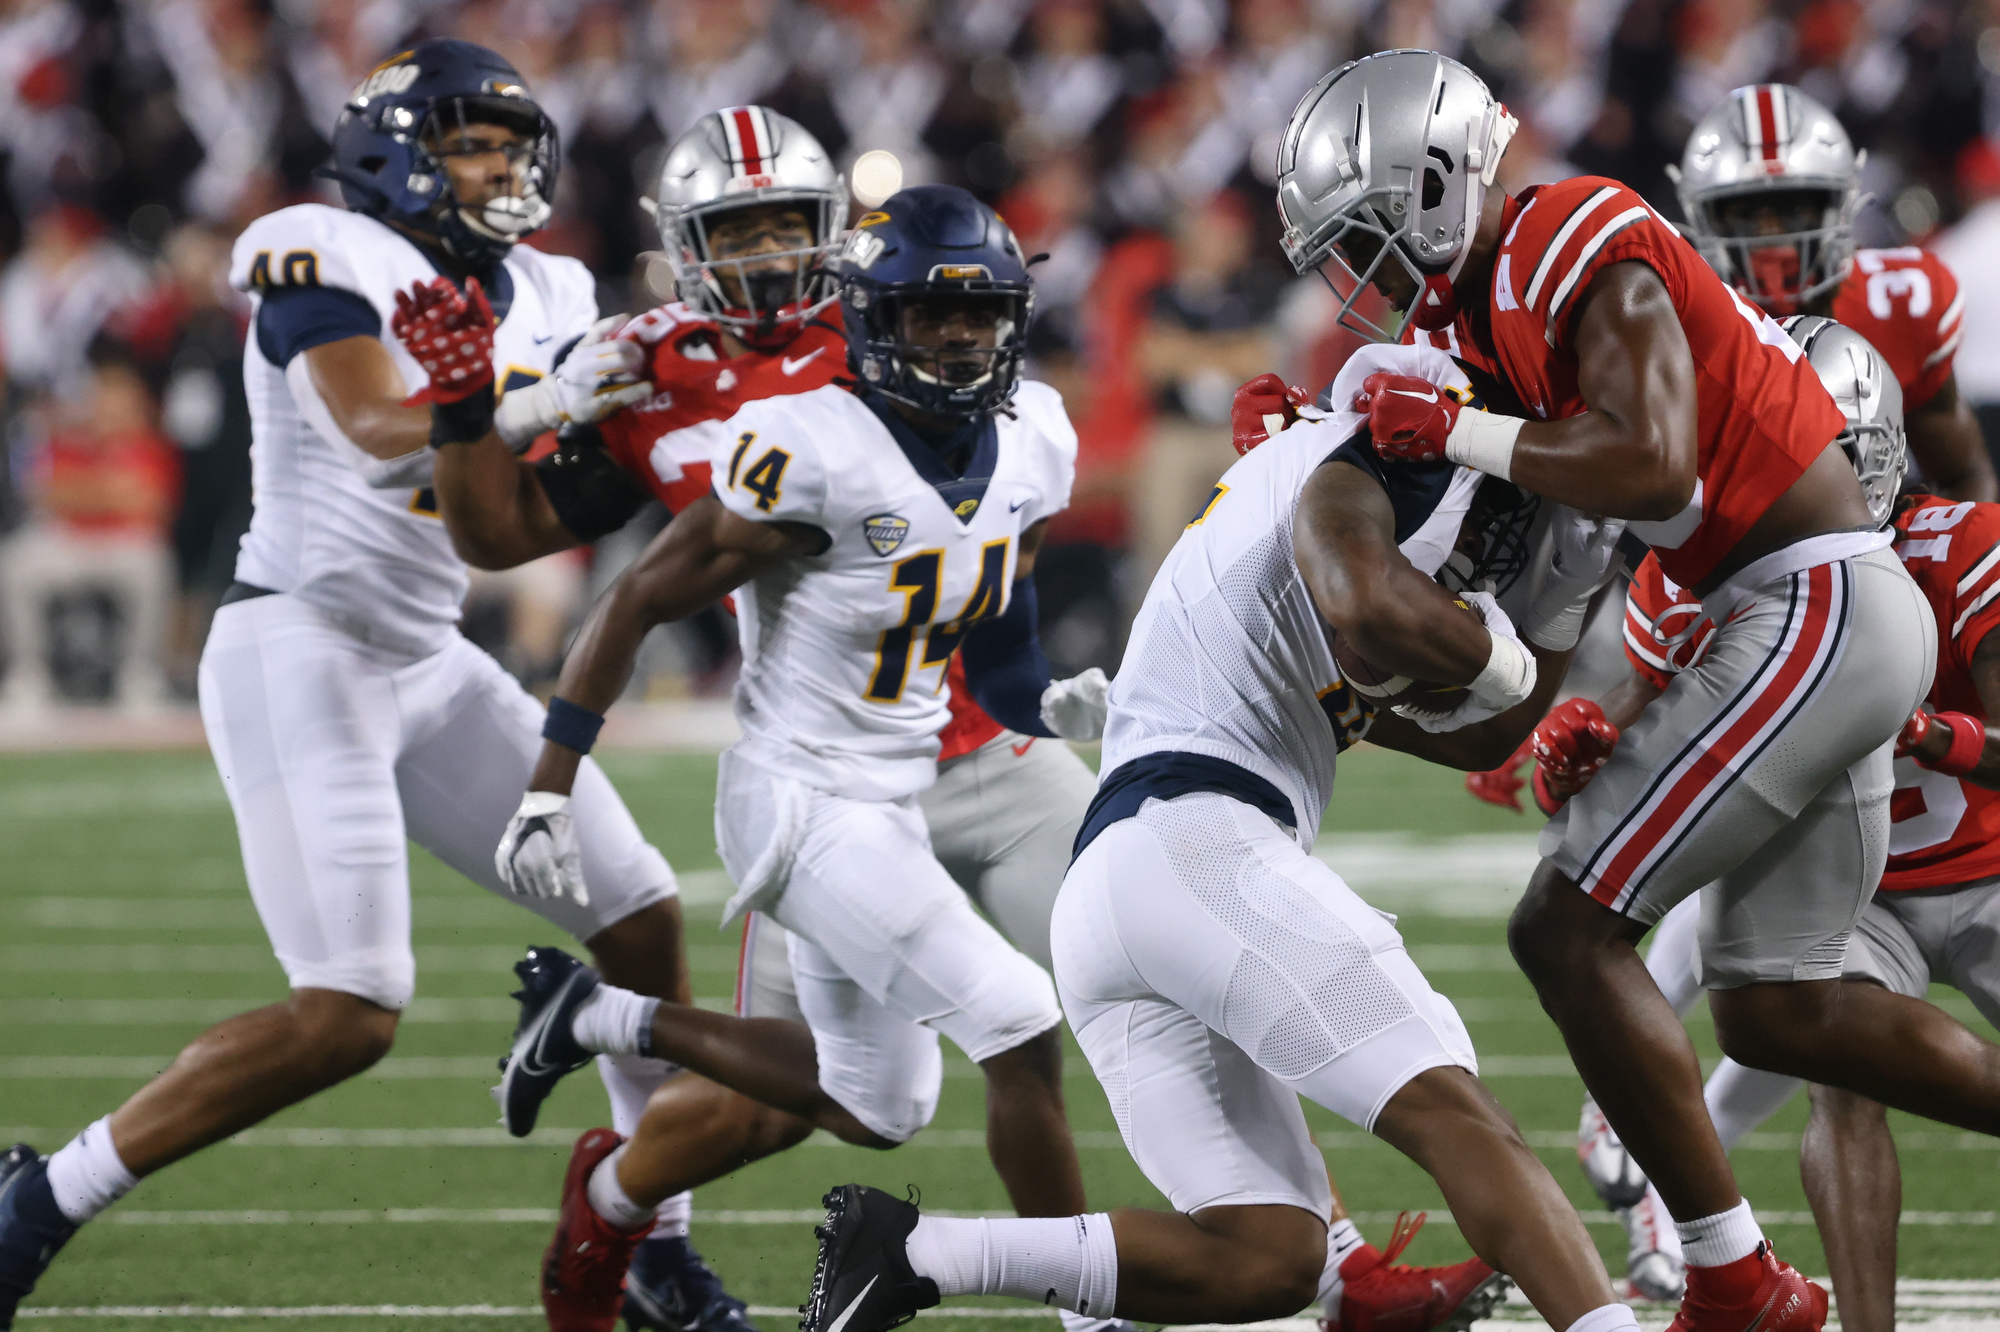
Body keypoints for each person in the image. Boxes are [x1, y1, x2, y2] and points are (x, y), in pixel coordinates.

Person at [0, 39, 702, 1330]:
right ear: (395, 148)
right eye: (468, 143)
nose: (499, 167)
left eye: (510, 144)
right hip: (300, 645)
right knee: (349, 1014)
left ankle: (647, 1235)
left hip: (429, 656)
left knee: (644, 923)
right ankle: (42, 1199)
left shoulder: (547, 281)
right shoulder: (320, 246)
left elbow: (509, 512)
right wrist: (534, 393)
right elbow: (379, 428)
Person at [1292, 47, 1993, 1332]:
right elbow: (1548, 566)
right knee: (1771, 1010)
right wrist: (1311, 444)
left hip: (1805, 597)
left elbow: (1650, 468)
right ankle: (1744, 1276)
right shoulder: (1478, 314)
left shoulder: (1569, 226)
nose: (1367, 280)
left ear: (1441, 184)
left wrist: (1437, 427)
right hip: (1774, 608)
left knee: (1562, 929)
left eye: (1373, 238)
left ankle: (1732, 1281)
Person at [796, 340, 1638, 1332]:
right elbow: (1384, 613)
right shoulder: (1355, 475)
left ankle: (915, 1254)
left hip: (1116, 888)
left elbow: (1452, 716)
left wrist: (1528, 651)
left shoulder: (1293, 506)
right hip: (1194, 842)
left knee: (1268, 1259)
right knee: (1462, 1120)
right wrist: (1504, 657)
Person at [453, 184, 1110, 1329]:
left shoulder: (1035, 439)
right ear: (868, 321)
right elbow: (636, 600)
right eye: (924, 315)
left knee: (878, 1107)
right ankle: (1089, 1310)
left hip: (894, 794)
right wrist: (549, 785)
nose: (957, 338)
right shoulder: (807, 445)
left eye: (978, 314)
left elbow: (998, 641)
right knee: (1017, 1019)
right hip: (798, 798)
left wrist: (1053, 702)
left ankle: (598, 1017)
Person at [1537, 317, 2000, 1332]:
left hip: (1985, 866)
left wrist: (1931, 734)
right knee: (1839, 1074)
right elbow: (1656, 746)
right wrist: (1582, 746)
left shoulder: (1959, 546)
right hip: (1854, 889)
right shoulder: (1690, 584)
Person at [1667, 83, 1993, 502]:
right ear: (1703, 217)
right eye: (1746, 214)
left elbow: (1964, 478)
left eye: (1792, 208)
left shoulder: (1898, 303)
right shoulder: (1673, 323)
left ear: (1839, 204)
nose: (1771, 239)